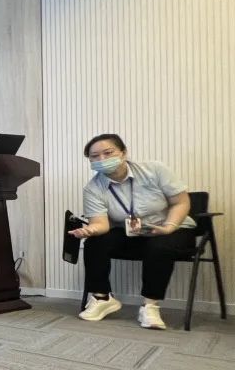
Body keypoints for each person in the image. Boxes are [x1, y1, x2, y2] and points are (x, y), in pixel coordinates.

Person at [68, 134, 195, 330]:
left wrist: (169, 226)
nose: (102, 159)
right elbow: (101, 224)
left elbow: (181, 202)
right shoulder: (93, 188)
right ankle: (102, 298)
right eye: (94, 156)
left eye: (108, 153)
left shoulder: (154, 170)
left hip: (172, 228)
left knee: (159, 246)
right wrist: (90, 230)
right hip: (134, 234)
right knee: (95, 241)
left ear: (123, 153)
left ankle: (150, 306)